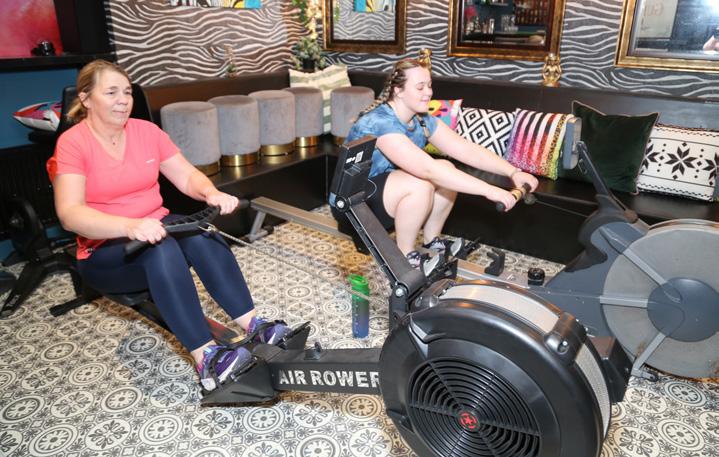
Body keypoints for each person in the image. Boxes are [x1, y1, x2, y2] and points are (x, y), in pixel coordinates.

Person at [47, 60, 290, 392]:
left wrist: (211, 192)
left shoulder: (146, 132)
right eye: (111, 92)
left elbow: (186, 175)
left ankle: (254, 326)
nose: (123, 100)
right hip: (104, 253)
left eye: (127, 92)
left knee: (201, 234)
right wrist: (129, 225)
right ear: (86, 98)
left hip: (153, 228)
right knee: (161, 249)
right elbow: (70, 214)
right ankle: (207, 359)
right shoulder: (73, 143)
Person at [342, 58, 538, 268]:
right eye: (420, 87)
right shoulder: (380, 122)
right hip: (353, 203)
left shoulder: (421, 119)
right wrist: (490, 190)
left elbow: (465, 149)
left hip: (385, 192)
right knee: (422, 183)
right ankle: (405, 257)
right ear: (398, 90)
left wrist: (513, 172)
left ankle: (432, 242)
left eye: (429, 85)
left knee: (447, 168)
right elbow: (428, 170)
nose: (428, 92)